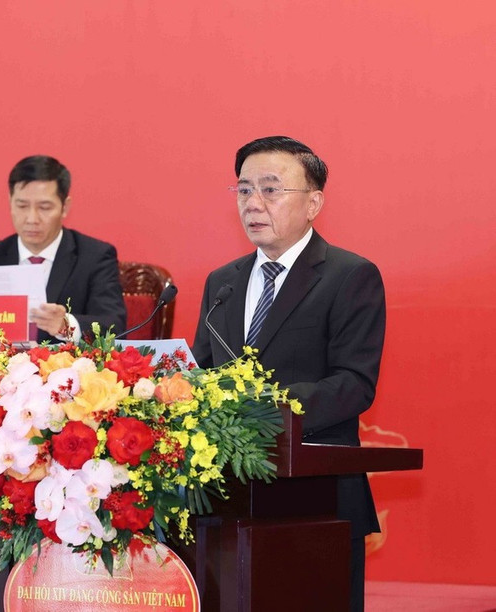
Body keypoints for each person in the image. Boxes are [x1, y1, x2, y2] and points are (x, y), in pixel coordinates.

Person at [192, 136, 385, 611]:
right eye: (243, 190)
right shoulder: (223, 282)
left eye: (271, 189)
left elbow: (354, 384)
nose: (253, 203)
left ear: (313, 203)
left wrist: (261, 410)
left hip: (317, 498)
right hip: (225, 498)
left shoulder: (350, 275)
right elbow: (203, 371)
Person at [0, 155, 126, 343]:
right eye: (22, 206)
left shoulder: (95, 257)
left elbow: (115, 326)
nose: (32, 219)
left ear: (65, 207)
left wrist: (66, 325)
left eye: (44, 207)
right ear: (10, 202)